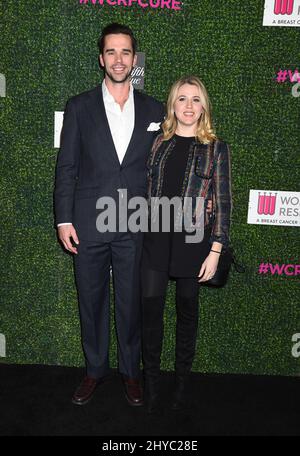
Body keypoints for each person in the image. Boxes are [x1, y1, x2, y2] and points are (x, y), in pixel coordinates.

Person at [54, 23, 164, 406]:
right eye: (112, 52)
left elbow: (163, 166)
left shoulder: (155, 109)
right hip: (88, 222)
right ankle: (95, 369)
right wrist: (63, 220)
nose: (119, 59)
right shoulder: (79, 106)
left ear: (134, 59)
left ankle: (131, 372)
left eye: (126, 52)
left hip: (135, 221)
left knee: (131, 301)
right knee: (92, 298)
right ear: (101, 58)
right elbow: (67, 166)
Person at [141, 75, 232, 413]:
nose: (189, 106)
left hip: (193, 244)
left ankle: (180, 387)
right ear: (173, 105)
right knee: (150, 315)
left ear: (203, 106)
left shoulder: (216, 148)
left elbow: (223, 202)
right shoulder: (158, 143)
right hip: (154, 239)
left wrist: (216, 249)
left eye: (196, 99)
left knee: (187, 316)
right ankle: (152, 387)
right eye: (182, 99)